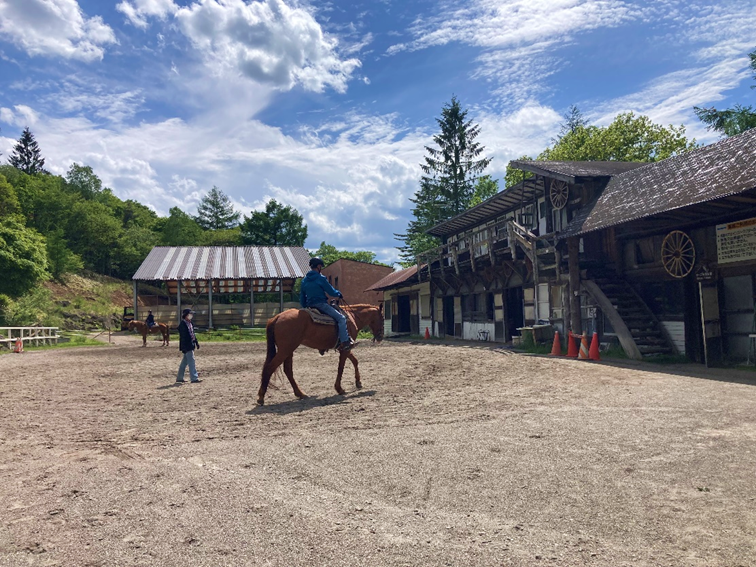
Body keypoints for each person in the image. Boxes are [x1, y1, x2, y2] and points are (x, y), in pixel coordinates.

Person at [300, 257, 354, 351]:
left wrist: (305, 306)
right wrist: (339, 294)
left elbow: (302, 297)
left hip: (310, 306)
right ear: (319, 266)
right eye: (321, 266)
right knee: (341, 318)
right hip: (321, 304)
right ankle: (345, 342)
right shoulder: (321, 278)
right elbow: (331, 291)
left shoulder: (304, 280)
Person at [176, 308, 202, 384]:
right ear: (186, 315)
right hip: (187, 346)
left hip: (190, 344)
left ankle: (180, 377)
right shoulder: (183, 324)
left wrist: (196, 342)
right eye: (190, 314)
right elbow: (183, 337)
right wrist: (184, 347)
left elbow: (192, 334)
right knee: (191, 361)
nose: (191, 315)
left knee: (184, 362)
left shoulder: (190, 323)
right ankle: (194, 378)